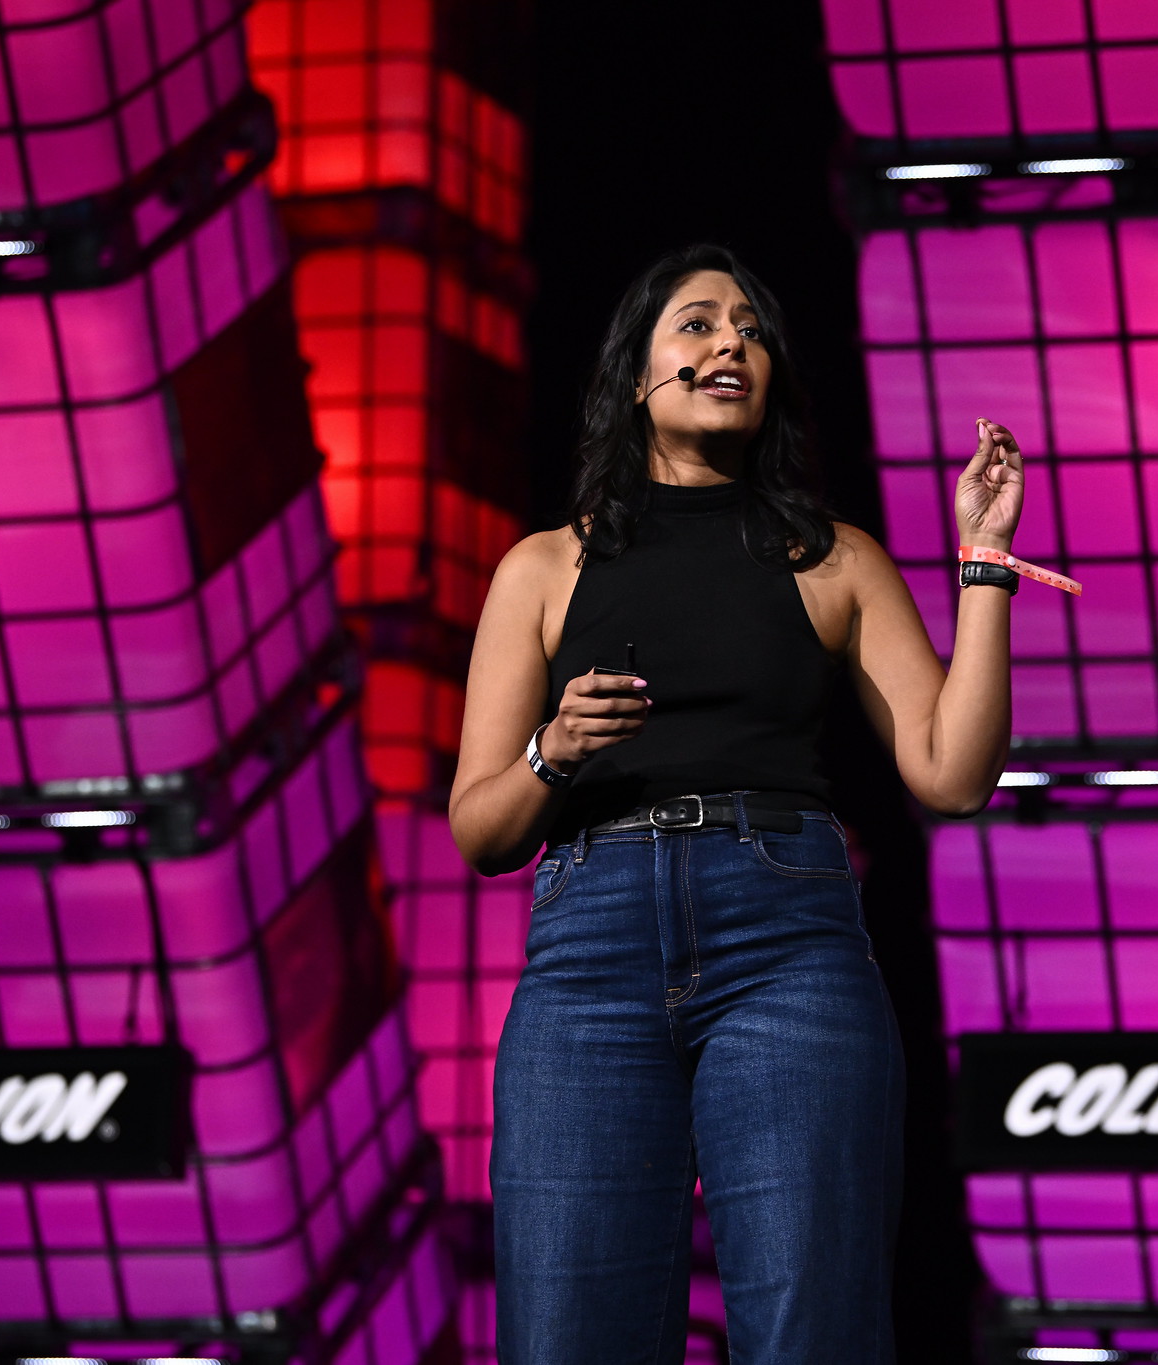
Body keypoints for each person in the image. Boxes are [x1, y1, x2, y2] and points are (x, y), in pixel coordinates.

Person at [448, 243, 1022, 1364]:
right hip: (586, 960)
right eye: (700, 324)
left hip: (788, 947)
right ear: (636, 376)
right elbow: (480, 830)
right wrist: (552, 750)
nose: (732, 344)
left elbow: (951, 774)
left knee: (811, 1333)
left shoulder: (832, 559)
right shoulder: (541, 568)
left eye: (751, 331)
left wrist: (984, 564)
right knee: (567, 1335)